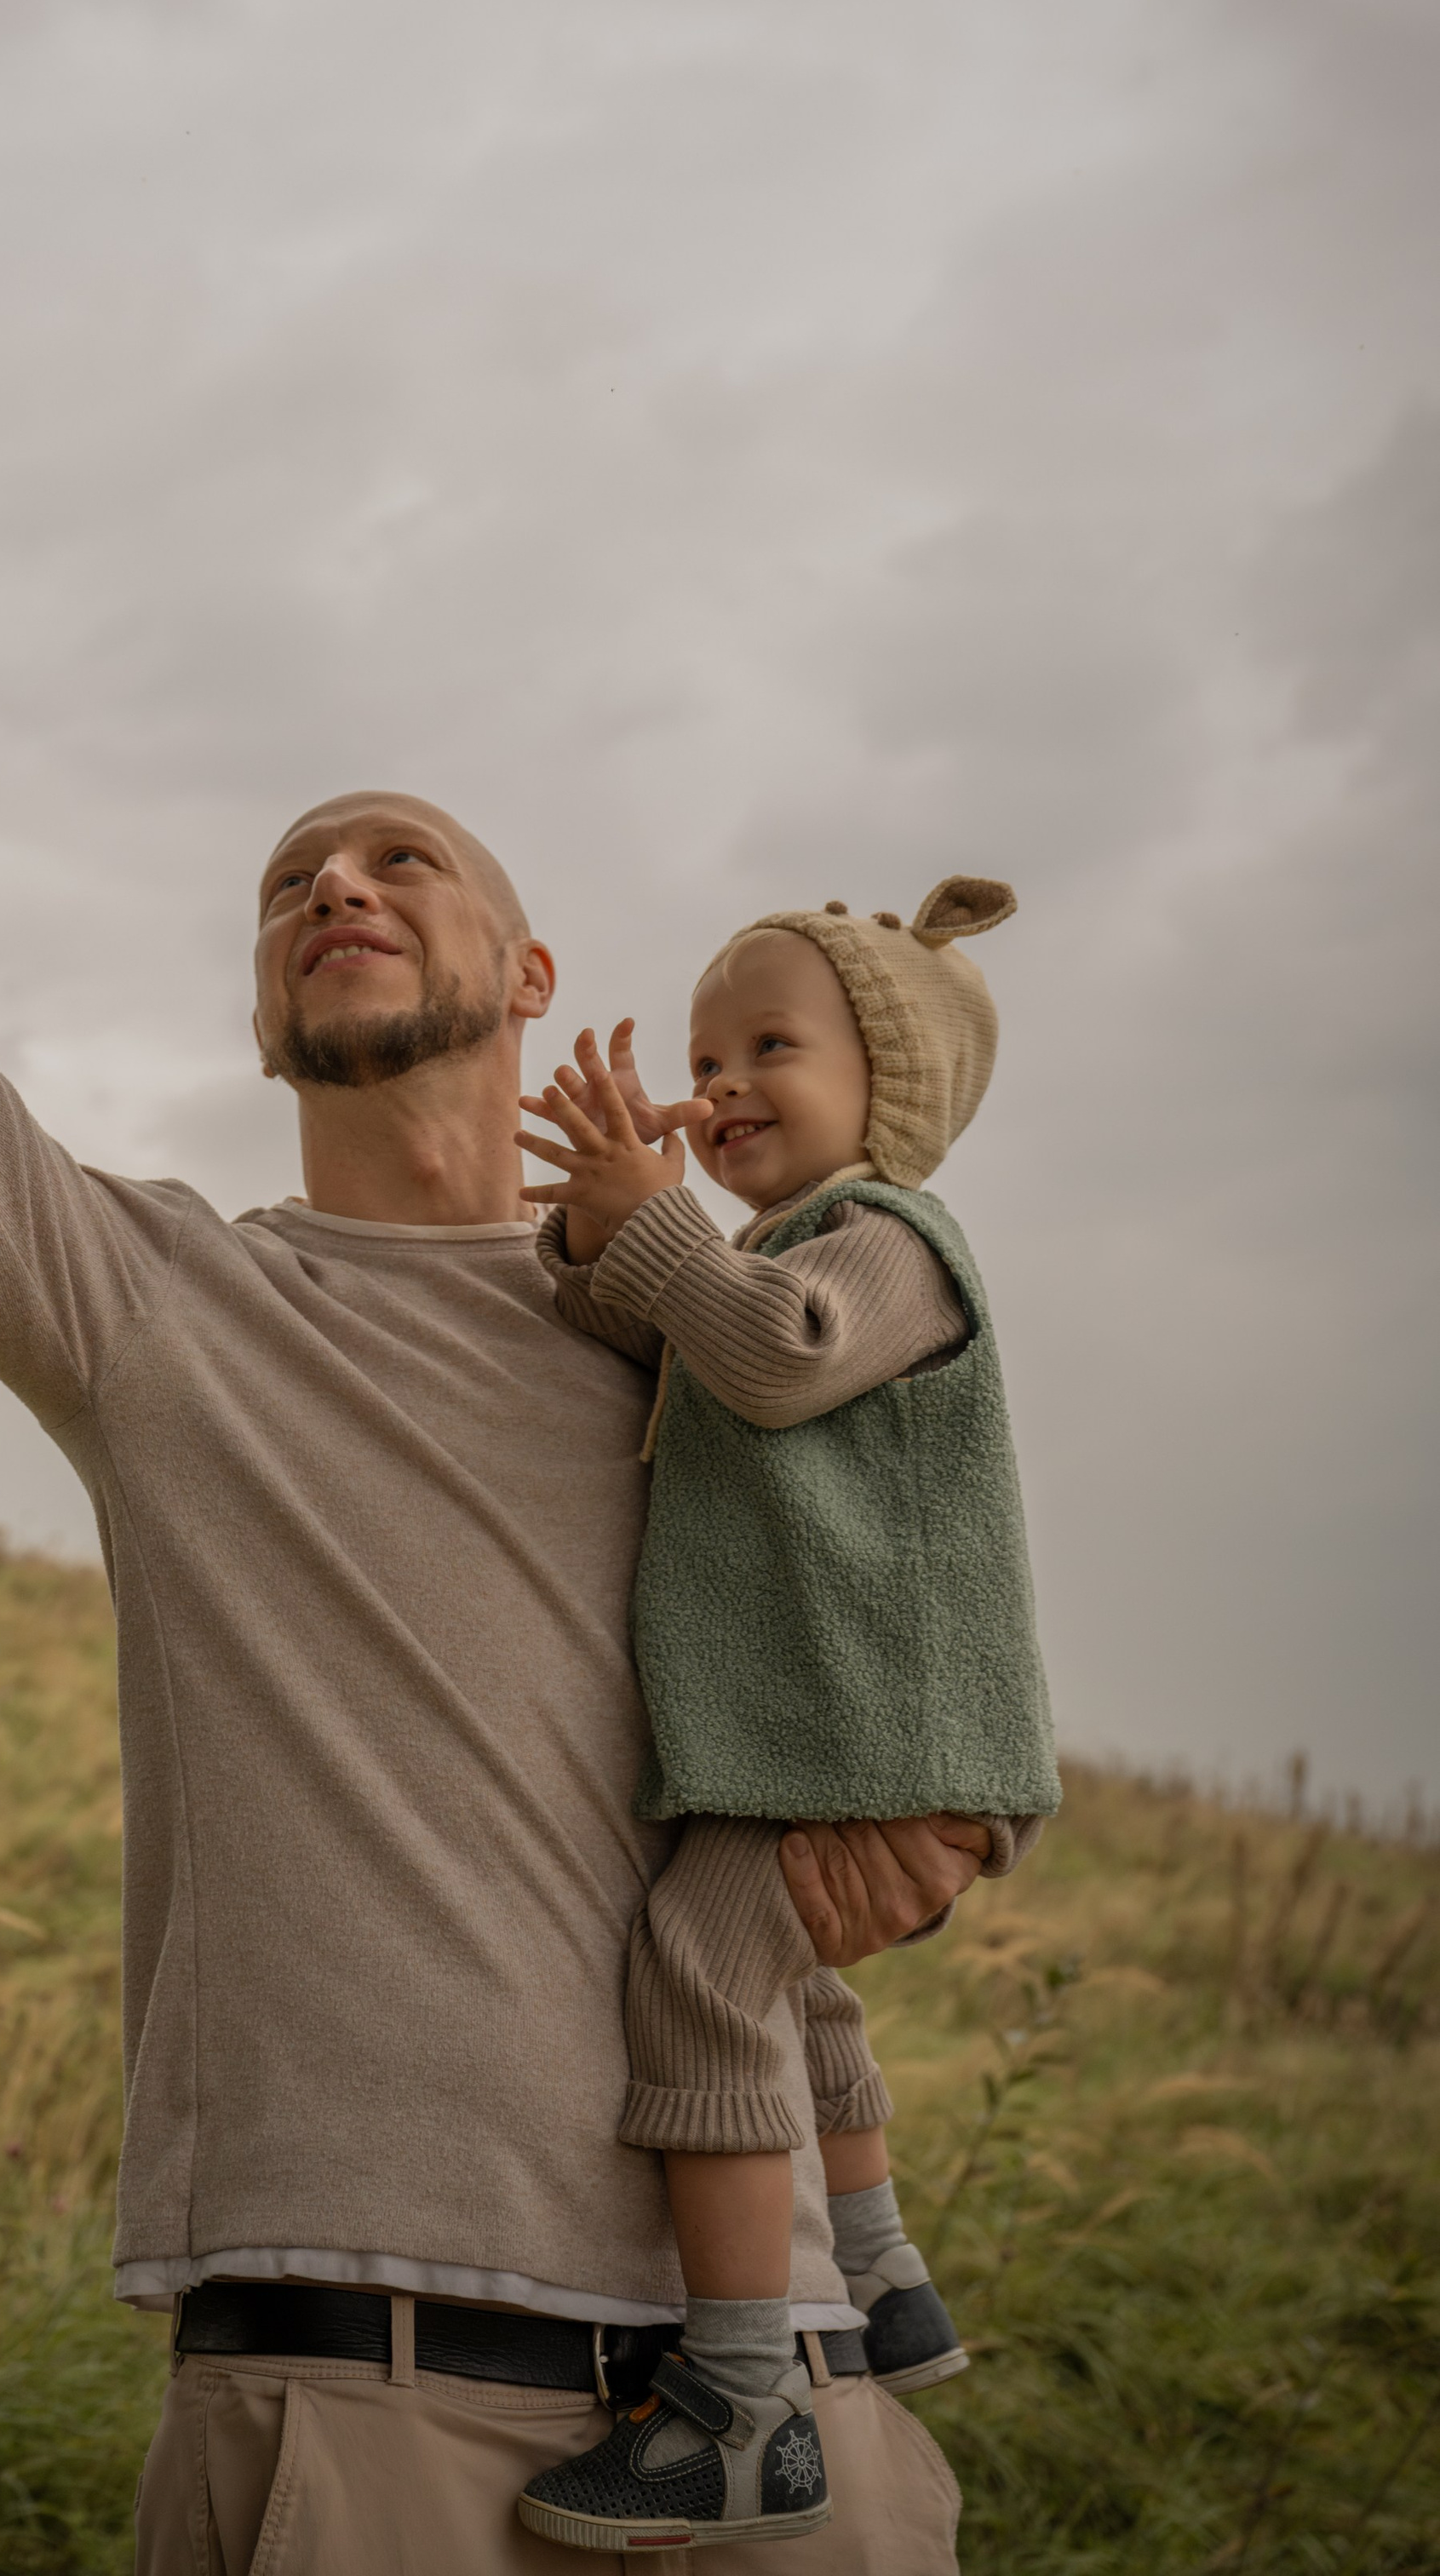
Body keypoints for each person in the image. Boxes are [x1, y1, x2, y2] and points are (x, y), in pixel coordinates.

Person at [0, 142, 997, 2574]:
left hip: (779, 2425)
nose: (331, 889)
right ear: (264, 1005)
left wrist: (905, 1835)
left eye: (392, 857)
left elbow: (899, 1598)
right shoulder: (162, 1309)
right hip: (361, 2418)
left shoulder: (690, 1317)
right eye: (286, 886)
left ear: (537, 973)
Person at [507, 902, 1058, 2546]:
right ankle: (881, 2274)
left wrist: (658, 1221)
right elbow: (630, 1326)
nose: (723, 1082)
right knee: (792, 1990)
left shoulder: (886, 1243)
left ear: (880, 1086)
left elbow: (771, 1360)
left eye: (768, 1050)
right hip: (824, 1742)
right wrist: (595, 1221)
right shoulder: (751, 1250)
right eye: (700, 1060)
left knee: (698, 1967)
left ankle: (742, 2398)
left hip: (892, 1740)